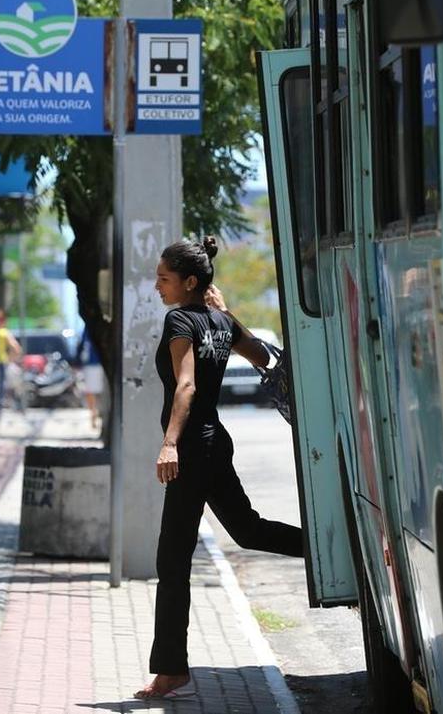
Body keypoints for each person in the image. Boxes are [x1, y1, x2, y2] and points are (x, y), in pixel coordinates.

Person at [135, 238, 304, 700]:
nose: (156, 286)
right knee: (248, 530)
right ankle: (328, 551)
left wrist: (169, 444)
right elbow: (262, 356)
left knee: (172, 560)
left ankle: (171, 671)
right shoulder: (219, 320)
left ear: (189, 281)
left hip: (192, 450)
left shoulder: (180, 319)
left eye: (164, 278)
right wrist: (227, 313)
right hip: (216, 444)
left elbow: (185, 386)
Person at [74, 329, 104, 430]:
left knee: (94, 392)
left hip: (96, 364)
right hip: (92, 364)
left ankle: (96, 414)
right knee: (92, 392)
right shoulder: (89, 329)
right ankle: (94, 415)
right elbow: (82, 346)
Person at [0, 309, 23, 411]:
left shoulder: (0, 332)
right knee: (0, 385)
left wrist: (10, 358)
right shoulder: (3, 332)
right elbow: (17, 348)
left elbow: (16, 348)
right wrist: (11, 358)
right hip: (1, 361)